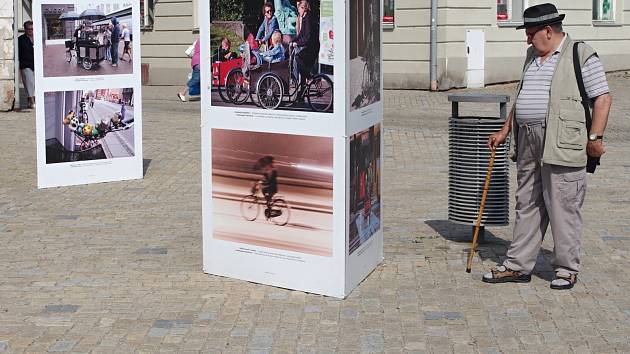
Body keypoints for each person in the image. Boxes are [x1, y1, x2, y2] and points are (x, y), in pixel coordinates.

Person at [482, 3, 612, 290]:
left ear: (548, 31)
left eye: (530, 33)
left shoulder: (580, 54)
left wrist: (595, 138)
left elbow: (603, 98)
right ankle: (518, 265)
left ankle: (566, 269)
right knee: (527, 201)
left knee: (562, 204)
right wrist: (505, 129)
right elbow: (523, 95)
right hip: (527, 138)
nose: (527, 39)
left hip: (562, 139)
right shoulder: (532, 55)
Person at [291, 0, 319, 98]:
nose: (298, 11)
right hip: (309, 46)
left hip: (313, 47)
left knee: (298, 57)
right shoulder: (305, 18)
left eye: (299, 8)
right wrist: (292, 41)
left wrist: (297, 43)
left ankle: (310, 77)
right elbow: (300, 34)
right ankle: (302, 94)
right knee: (302, 69)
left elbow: (307, 37)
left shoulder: (308, 19)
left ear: (303, 8)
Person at [18, 20, 35, 109]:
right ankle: (32, 101)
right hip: (25, 64)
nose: (31, 31)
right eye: (28, 29)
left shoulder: (37, 38)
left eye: (32, 29)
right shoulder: (20, 39)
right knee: (29, 82)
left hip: (35, 64)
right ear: (25, 29)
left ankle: (30, 100)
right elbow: (18, 53)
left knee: (34, 83)